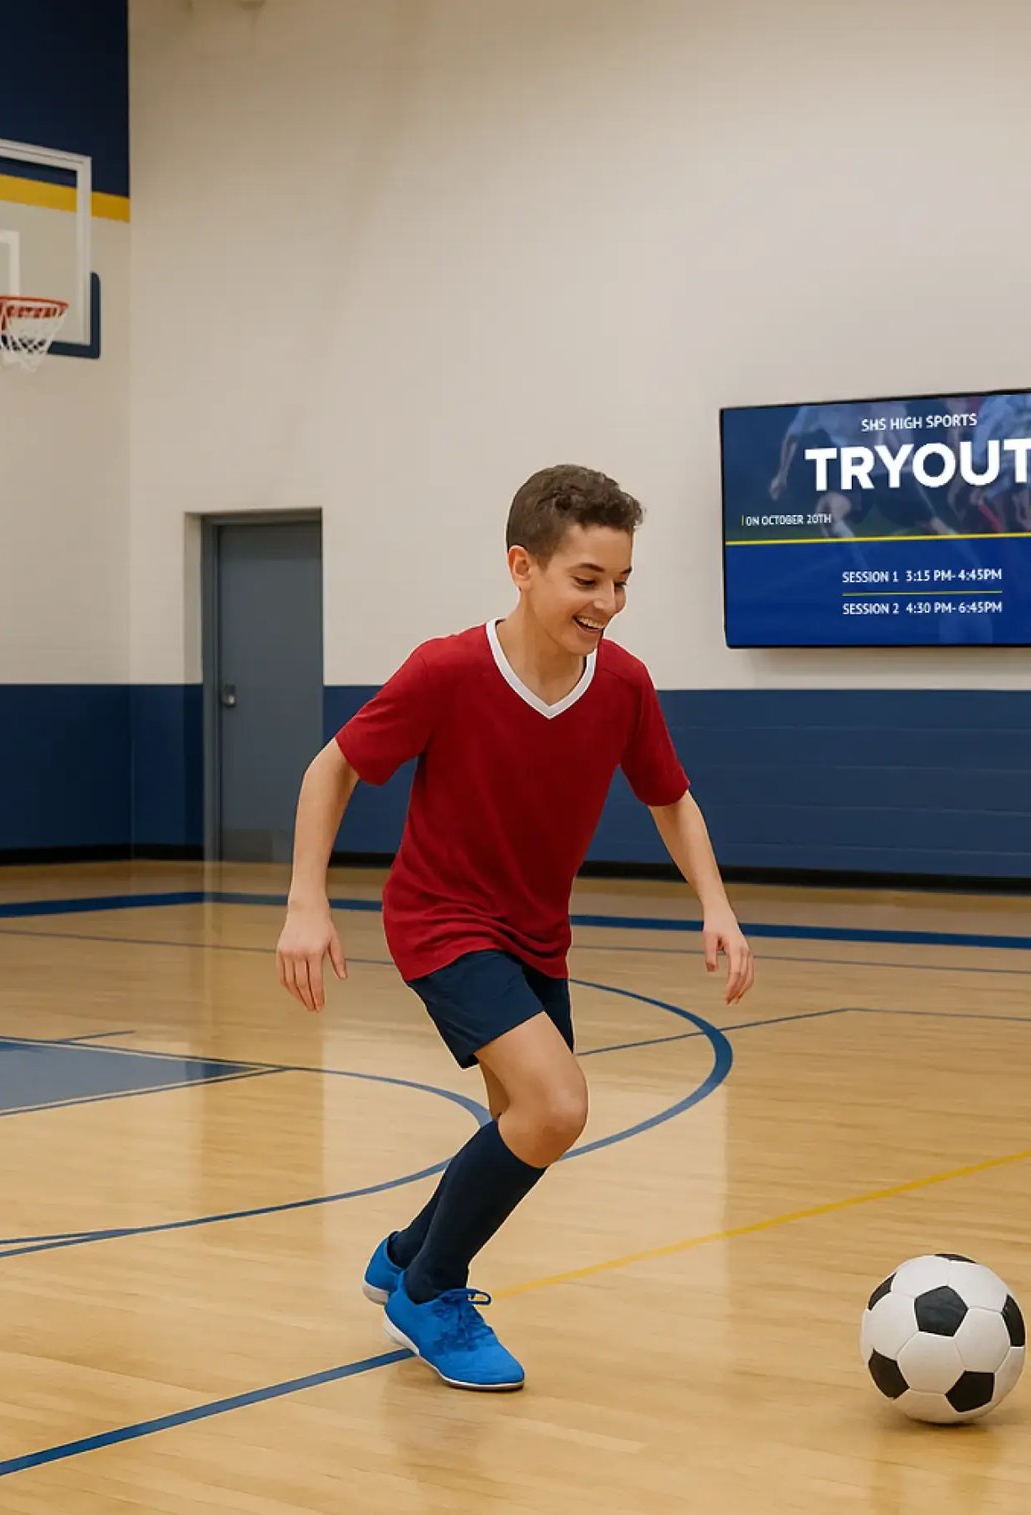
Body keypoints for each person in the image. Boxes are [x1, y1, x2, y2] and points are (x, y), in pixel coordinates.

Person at [274, 464, 755, 1392]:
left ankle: (406, 1252)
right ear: (522, 567)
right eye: (587, 580)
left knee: (522, 1125)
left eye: (621, 582)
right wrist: (305, 900)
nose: (608, 601)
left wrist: (717, 904)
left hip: (537, 932)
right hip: (440, 918)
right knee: (558, 1107)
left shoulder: (620, 684)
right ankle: (431, 1288)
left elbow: (670, 796)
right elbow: (329, 768)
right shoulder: (448, 669)